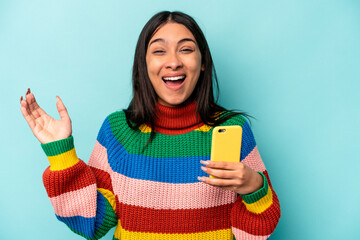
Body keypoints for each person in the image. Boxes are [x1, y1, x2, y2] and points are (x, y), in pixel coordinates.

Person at [20, 11, 280, 240]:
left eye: (186, 49)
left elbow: (256, 234)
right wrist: (61, 153)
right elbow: (93, 223)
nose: (174, 61)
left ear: (202, 64)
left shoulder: (233, 129)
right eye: (159, 50)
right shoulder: (118, 131)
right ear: (143, 65)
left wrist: (255, 188)